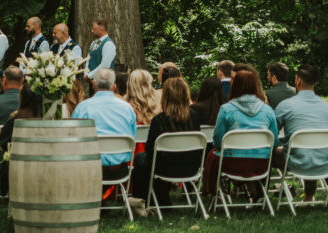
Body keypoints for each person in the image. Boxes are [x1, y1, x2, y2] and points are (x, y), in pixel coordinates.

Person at [129, 77, 202, 213]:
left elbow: (149, 149)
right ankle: (160, 198)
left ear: (166, 97)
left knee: (141, 159)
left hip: (164, 168)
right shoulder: (195, 116)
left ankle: (141, 200)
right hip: (190, 167)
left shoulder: (159, 120)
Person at [204, 70, 278, 197]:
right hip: (261, 163)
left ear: (235, 86)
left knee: (212, 155)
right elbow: (274, 142)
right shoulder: (268, 110)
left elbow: (217, 141)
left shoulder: (226, 109)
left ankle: (215, 193)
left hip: (232, 163)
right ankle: (257, 194)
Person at [273, 65, 328, 202]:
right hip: (325, 162)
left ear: (298, 81)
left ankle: (261, 195)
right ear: (315, 82)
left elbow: (271, 133)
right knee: (310, 148)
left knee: (272, 151)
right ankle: (309, 196)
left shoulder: (286, 105)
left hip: (296, 163)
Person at [72, 68, 137, 183]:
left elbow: (73, 138)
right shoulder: (127, 108)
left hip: (90, 169)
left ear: (93, 84)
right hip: (119, 170)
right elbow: (132, 137)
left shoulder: (83, 108)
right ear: (114, 86)